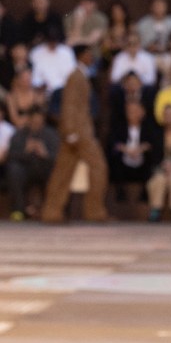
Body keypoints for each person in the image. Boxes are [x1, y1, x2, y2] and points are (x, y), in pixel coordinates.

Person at [41, 44, 109, 223]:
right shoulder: (76, 76)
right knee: (98, 167)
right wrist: (71, 131)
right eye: (88, 53)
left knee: (63, 171)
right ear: (81, 56)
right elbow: (69, 104)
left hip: (75, 131)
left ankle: (52, 211)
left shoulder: (81, 75)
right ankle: (94, 211)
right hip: (79, 132)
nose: (91, 57)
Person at [5, 105, 59, 221]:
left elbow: (57, 157)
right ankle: (18, 210)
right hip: (26, 169)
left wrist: (45, 153)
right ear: (29, 120)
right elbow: (11, 156)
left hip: (45, 168)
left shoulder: (51, 134)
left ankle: (51, 210)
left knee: (56, 172)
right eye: (33, 120)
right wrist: (26, 151)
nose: (36, 123)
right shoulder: (19, 134)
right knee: (14, 170)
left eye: (39, 120)